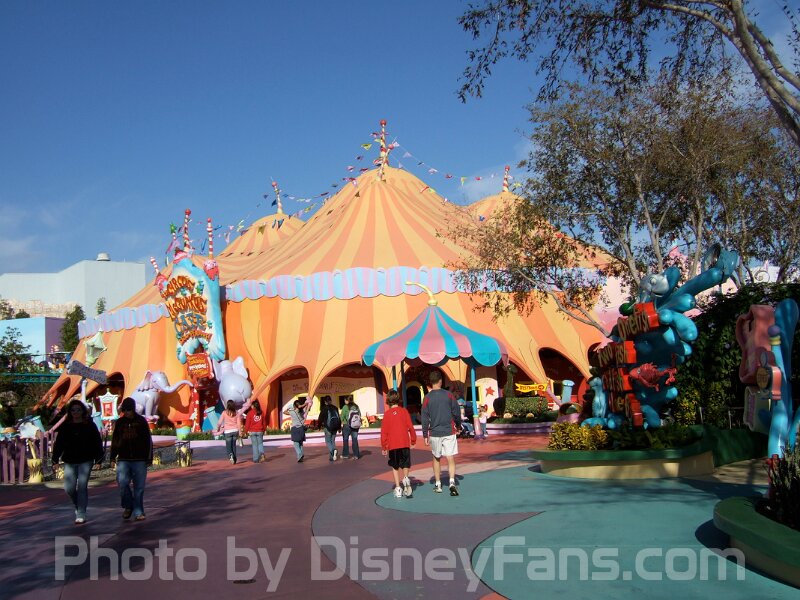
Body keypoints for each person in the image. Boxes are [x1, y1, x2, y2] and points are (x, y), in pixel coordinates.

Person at [51, 399, 104, 524]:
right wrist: (55, 459)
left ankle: (81, 513)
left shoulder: (89, 425)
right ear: (70, 412)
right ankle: (78, 505)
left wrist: (99, 459)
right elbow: (59, 444)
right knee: (69, 488)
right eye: (73, 410)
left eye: (78, 410)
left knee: (82, 486)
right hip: (70, 460)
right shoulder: (66, 426)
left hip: (86, 460)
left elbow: (97, 442)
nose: (75, 412)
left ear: (83, 411)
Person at [110, 397, 153, 521]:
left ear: (133, 409)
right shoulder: (120, 422)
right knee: (122, 483)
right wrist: (112, 457)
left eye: (129, 410)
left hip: (139, 459)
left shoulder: (141, 421)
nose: (127, 412)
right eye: (125, 410)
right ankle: (128, 505)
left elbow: (148, 440)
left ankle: (138, 511)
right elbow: (115, 440)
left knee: (139, 488)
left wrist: (149, 457)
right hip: (123, 458)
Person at [420, 371, 461, 496]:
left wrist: (425, 434)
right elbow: (456, 411)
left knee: (436, 458)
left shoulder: (427, 398)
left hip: (435, 432)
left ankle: (438, 484)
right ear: (440, 381)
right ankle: (452, 482)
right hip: (449, 431)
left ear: (431, 382)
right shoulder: (449, 395)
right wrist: (458, 425)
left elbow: (424, 417)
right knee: (450, 457)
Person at [381, 389, 417, 498]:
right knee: (405, 463)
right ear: (398, 399)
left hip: (393, 445)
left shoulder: (387, 414)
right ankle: (405, 478)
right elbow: (410, 427)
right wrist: (413, 440)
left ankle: (398, 488)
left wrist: (384, 446)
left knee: (395, 465)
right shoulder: (404, 411)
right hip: (404, 442)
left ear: (388, 400)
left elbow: (384, 432)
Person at [215, 400, 244, 464]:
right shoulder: (236, 413)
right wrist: (240, 432)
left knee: (228, 446)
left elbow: (219, 422)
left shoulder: (224, 412)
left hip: (227, 431)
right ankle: (235, 459)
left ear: (227, 405)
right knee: (233, 445)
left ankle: (231, 455)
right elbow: (239, 423)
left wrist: (218, 429)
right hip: (235, 431)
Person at [284, 398, 310, 462]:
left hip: (295, 428)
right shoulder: (302, 411)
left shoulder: (292, 412)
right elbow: (306, 407)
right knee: (300, 443)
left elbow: (284, 412)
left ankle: (299, 454)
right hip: (301, 428)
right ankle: (301, 455)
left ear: (294, 405)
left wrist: (289, 408)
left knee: (296, 443)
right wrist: (305, 404)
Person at [317, 395, 341, 461]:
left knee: (328, 441)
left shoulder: (324, 408)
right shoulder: (335, 408)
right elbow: (338, 418)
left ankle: (333, 450)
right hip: (335, 427)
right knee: (332, 441)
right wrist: (339, 428)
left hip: (327, 428)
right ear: (331, 400)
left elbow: (320, 419)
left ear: (325, 402)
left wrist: (319, 426)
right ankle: (332, 457)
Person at [340, 395, 362, 460]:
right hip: (355, 425)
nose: (344, 401)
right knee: (355, 440)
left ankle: (345, 455)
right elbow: (360, 415)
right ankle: (356, 455)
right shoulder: (356, 406)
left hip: (347, 425)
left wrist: (340, 424)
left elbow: (342, 416)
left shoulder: (345, 407)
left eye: (345, 400)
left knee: (345, 440)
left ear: (347, 400)